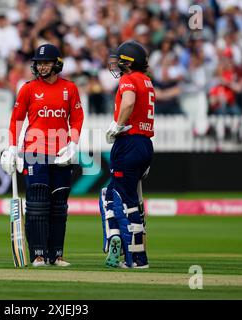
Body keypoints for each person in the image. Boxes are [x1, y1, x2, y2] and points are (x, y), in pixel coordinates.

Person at [1, 44, 84, 267]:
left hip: (61, 154)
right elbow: (16, 119)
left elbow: (76, 118)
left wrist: (73, 143)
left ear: (57, 63)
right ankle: (38, 254)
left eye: (46, 62)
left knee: (59, 207)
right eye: (38, 62)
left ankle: (56, 254)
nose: (41, 66)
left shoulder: (70, 88)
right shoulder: (28, 88)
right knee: (37, 205)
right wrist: (12, 148)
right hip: (34, 152)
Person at [100, 41, 154, 269]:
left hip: (129, 142)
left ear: (128, 62)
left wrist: (117, 125)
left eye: (121, 60)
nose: (117, 64)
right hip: (145, 144)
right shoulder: (147, 81)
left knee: (115, 198)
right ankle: (138, 256)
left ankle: (120, 242)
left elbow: (129, 102)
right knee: (130, 200)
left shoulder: (129, 79)